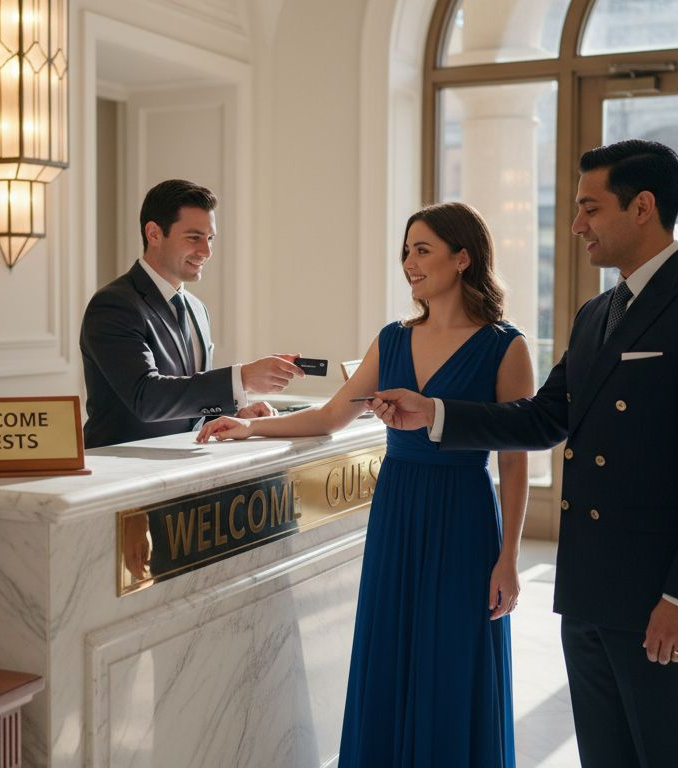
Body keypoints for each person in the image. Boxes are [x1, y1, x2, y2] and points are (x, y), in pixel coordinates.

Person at [373, 140, 678, 767]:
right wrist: (435, 413)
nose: (577, 224)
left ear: (643, 207)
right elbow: (543, 417)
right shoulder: (596, 314)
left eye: (591, 208)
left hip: (661, 594)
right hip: (589, 591)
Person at [197, 202, 533, 767]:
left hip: (464, 518)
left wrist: (509, 559)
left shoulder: (506, 346)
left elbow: (515, 460)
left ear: (463, 258)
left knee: (453, 657)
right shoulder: (393, 339)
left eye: (423, 250)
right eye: (406, 251)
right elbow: (331, 417)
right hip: (397, 510)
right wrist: (252, 426)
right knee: (390, 648)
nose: (409, 262)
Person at [80, 179, 304, 448]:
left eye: (210, 238)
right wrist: (242, 377)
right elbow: (146, 398)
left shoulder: (197, 309)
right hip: (120, 466)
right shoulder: (113, 305)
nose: (206, 251)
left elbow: (188, 405)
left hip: (188, 461)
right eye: (194, 237)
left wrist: (236, 417)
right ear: (153, 233)